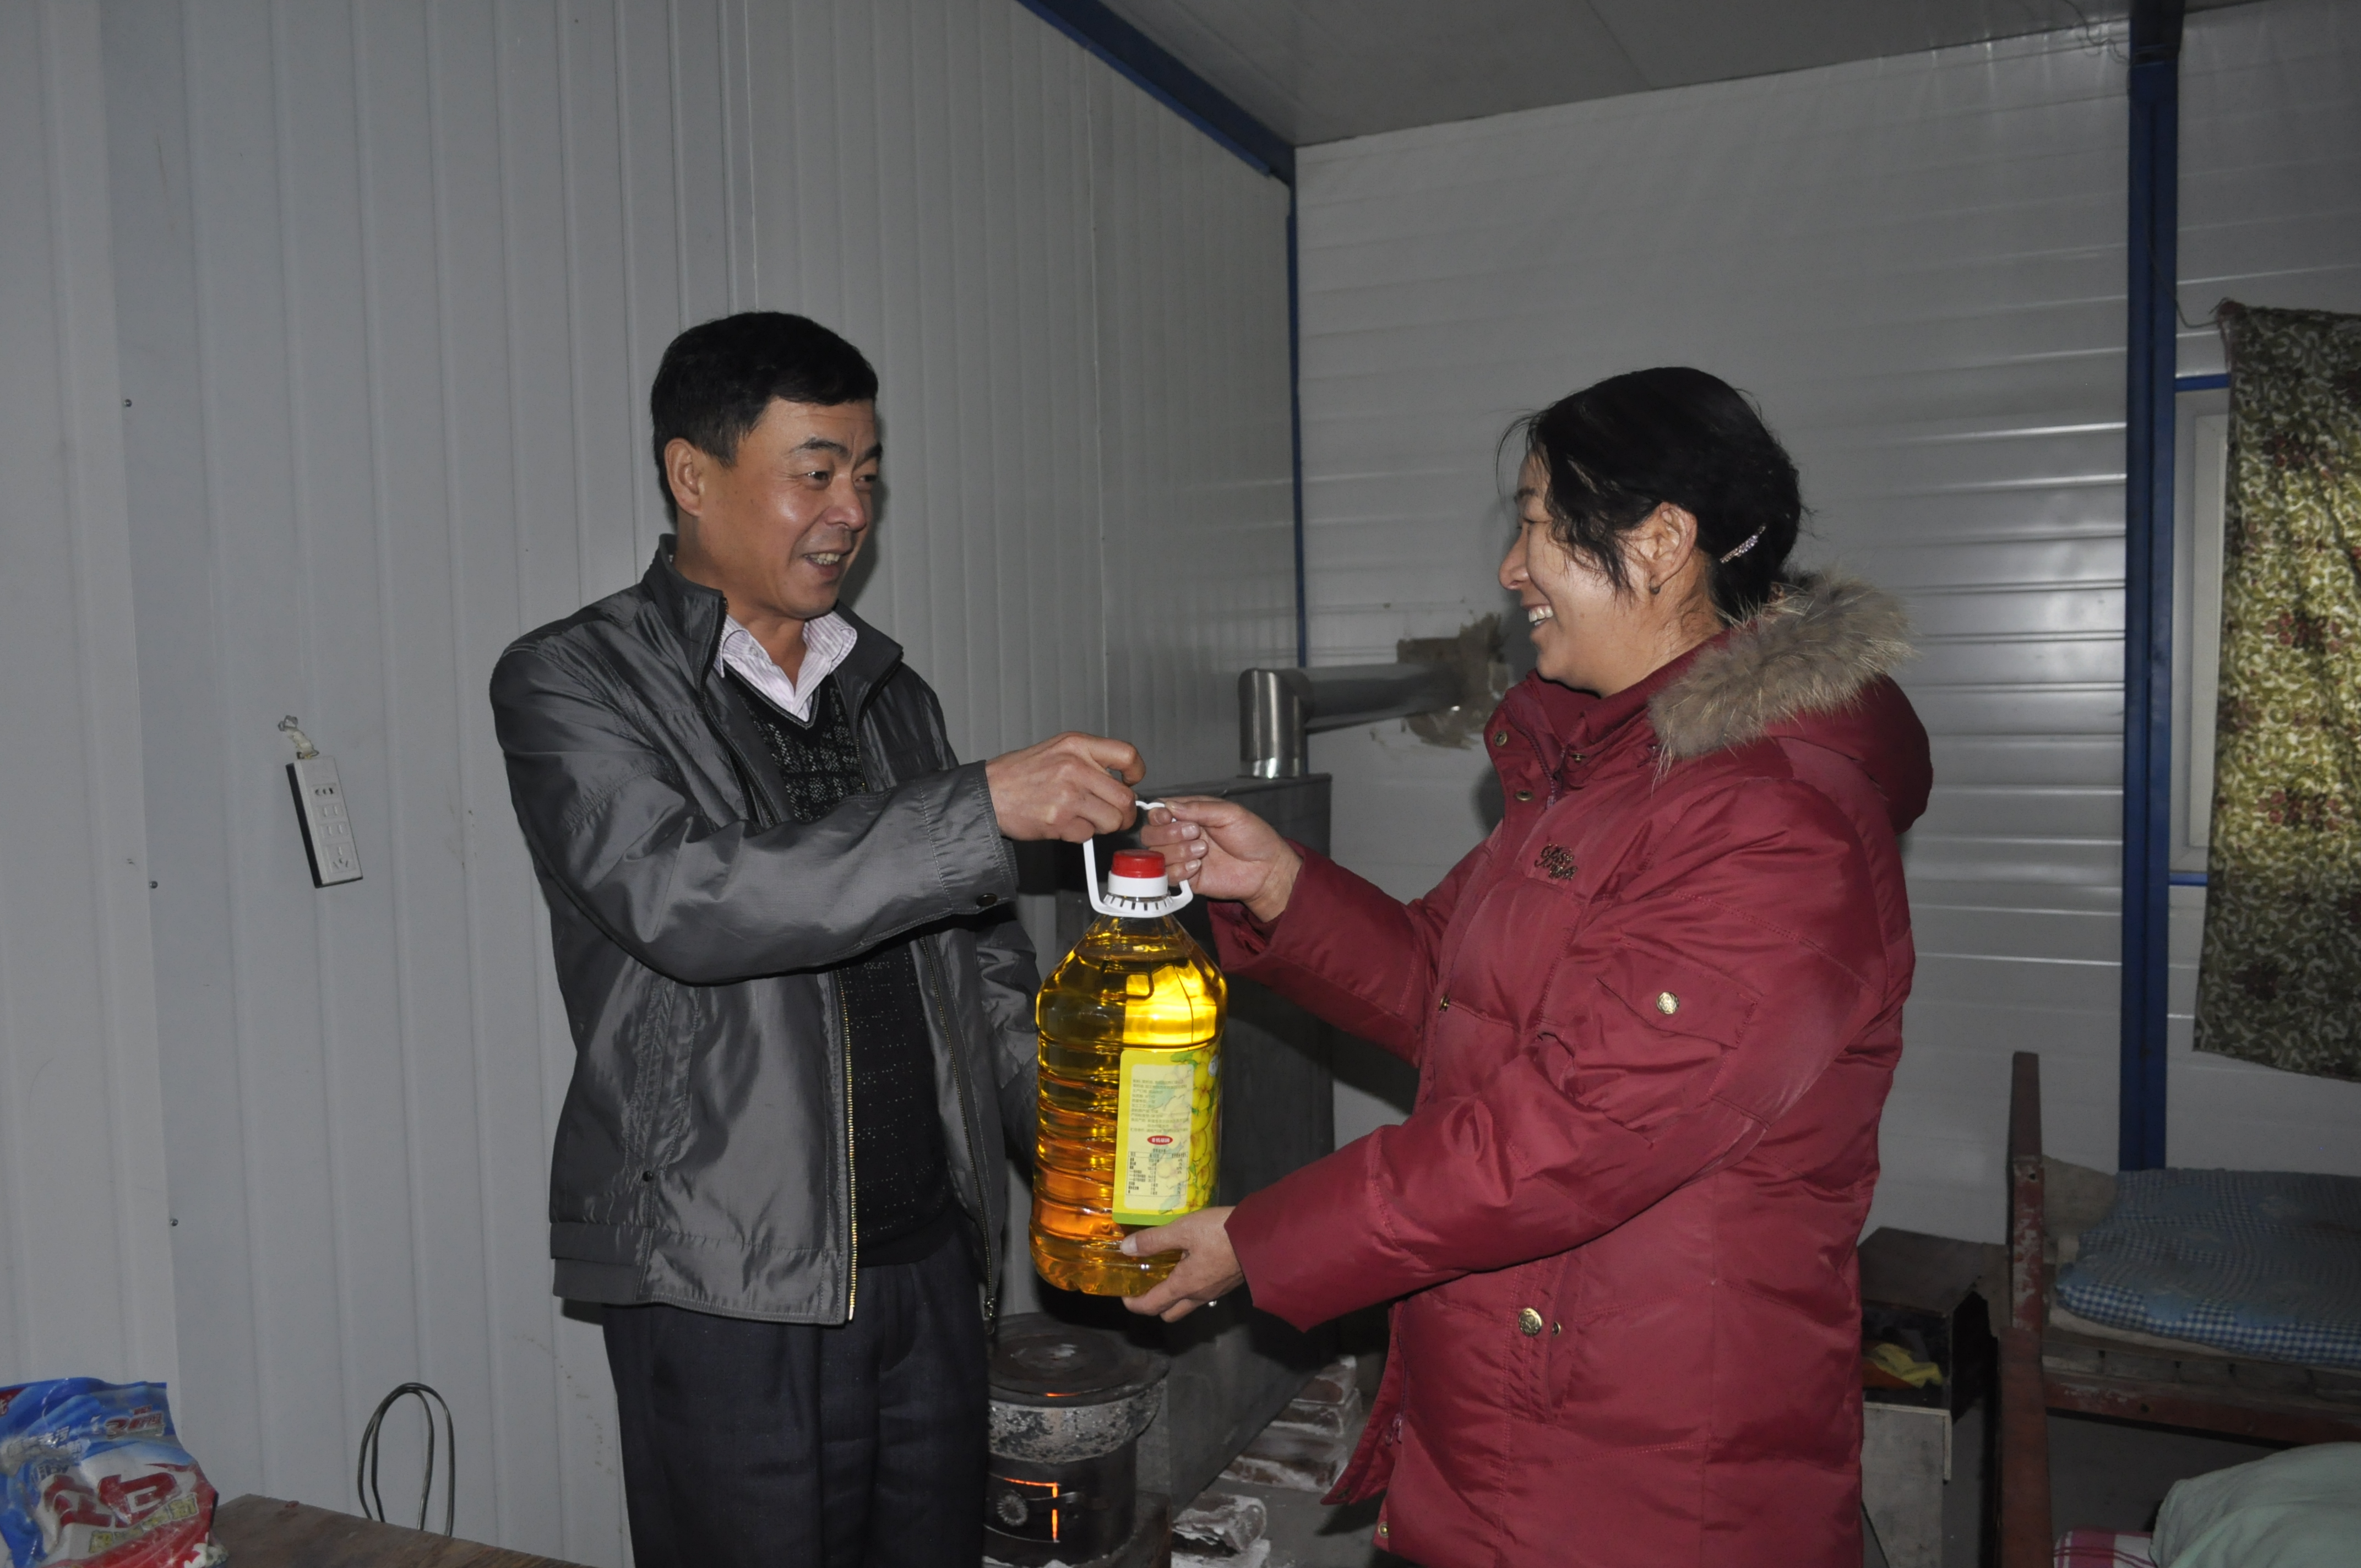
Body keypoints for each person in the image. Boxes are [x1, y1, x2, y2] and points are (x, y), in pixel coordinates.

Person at [1130, 367, 1932, 1567]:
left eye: (1538, 525)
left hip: (1648, 1457)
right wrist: (1281, 886)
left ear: (1659, 543)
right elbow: (1450, 989)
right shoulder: (1612, 776)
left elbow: (1569, 1132)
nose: (1511, 570)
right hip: (1527, 1396)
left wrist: (1264, 1238)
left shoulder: (1771, 822)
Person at [489, 311, 1143, 1568]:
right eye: (816, 471)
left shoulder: (890, 695)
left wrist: (1092, 1165)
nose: (851, 511)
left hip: (928, 1258)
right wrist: (976, 810)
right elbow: (684, 899)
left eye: (868, 474)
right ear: (692, 475)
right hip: (725, 1279)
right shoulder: (573, 679)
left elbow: (984, 974)